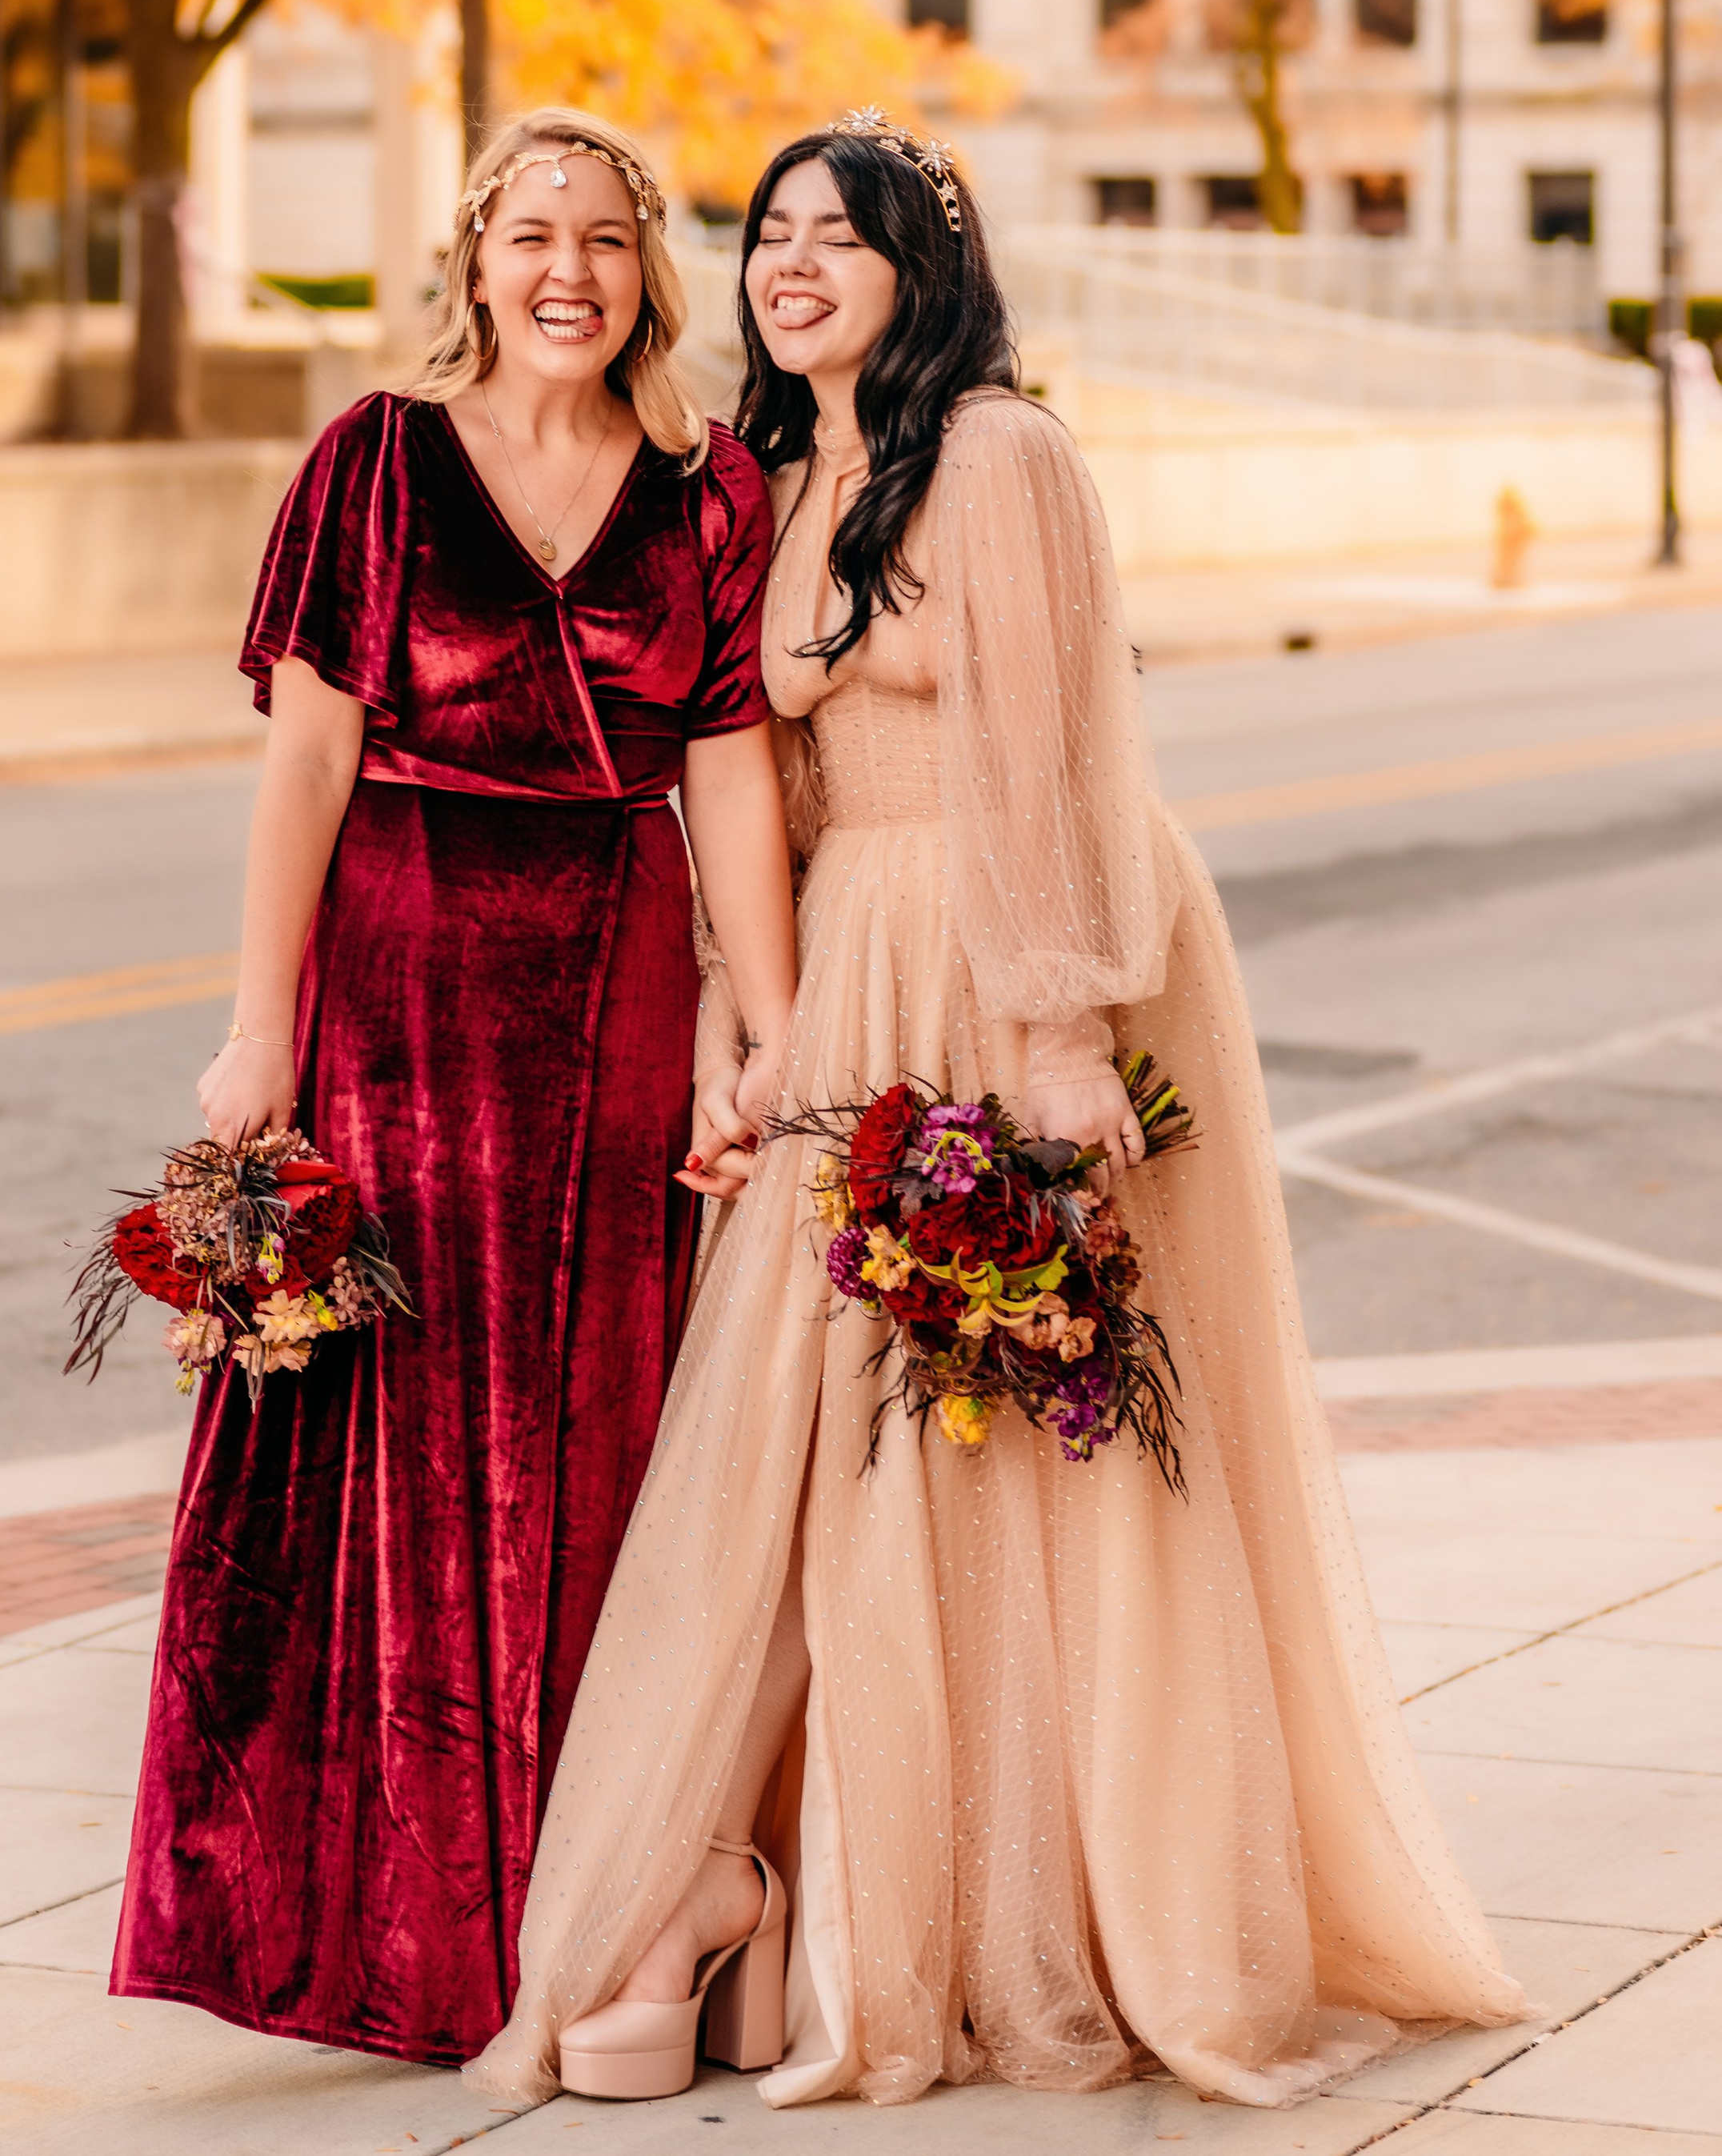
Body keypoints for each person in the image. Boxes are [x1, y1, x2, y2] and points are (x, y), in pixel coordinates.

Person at [467, 110, 1531, 2113]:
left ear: (916, 270)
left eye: (836, 237)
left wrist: (1054, 1045)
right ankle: (753, 1887)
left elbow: (1050, 747)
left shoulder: (999, 455)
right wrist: (740, 1027)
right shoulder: (774, 471)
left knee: (1018, 1438)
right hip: (847, 961)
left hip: (1008, 944)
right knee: (806, 1429)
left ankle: (1024, 1902)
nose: (790, 266)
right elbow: (752, 796)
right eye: (768, 233)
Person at [112, 109, 797, 2070]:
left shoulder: (704, 487)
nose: (564, 269)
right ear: (473, 259)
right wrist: (260, 1032)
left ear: (643, 271)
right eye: (529, 235)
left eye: (601, 237)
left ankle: (616, 1898)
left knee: (599, 1444)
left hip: (616, 986)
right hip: (398, 1002)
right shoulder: (376, 462)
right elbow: (304, 771)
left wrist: (757, 1025)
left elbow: (729, 768)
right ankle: (412, 1927)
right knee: (398, 1454)